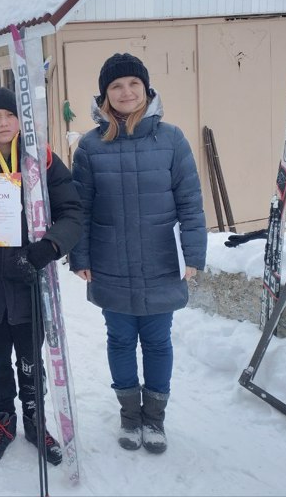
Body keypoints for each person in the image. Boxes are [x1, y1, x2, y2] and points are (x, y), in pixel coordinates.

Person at [69, 53, 206, 455]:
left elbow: (190, 203)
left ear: (145, 88)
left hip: (162, 260)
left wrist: (193, 254)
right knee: (120, 339)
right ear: (105, 95)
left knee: (159, 341)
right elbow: (81, 207)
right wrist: (81, 256)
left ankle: (155, 419)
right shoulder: (90, 147)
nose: (126, 92)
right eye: (116, 86)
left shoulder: (172, 138)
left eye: (133, 83)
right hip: (111, 262)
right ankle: (130, 416)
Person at [0, 88, 82, 465]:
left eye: (10, 115)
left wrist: (50, 248)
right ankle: (4, 422)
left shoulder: (43, 161)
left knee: (30, 359)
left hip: (29, 280)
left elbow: (72, 212)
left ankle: (34, 419)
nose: (3, 123)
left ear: (21, 120)